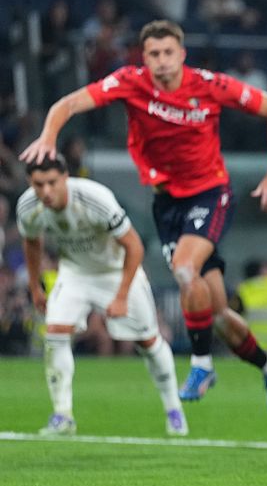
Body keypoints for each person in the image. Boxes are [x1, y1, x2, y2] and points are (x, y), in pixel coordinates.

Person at [20, 20, 267, 418]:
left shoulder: (209, 85)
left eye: (168, 53)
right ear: (143, 58)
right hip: (167, 203)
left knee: (184, 269)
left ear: (181, 54)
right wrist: (48, 136)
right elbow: (69, 104)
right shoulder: (131, 82)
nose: (161, 61)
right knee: (215, 313)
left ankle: (201, 366)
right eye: (153, 55)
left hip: (210, 192)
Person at [17, 155, 187, 436]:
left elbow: (134, 246)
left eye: (51, 183)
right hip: (75, 273)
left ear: (65, 178)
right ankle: (63, 415)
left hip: (117, 272)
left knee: (148, 340)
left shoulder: (95, 198)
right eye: (38, 184)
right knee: (55, 332)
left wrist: (120, 296)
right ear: (29, 183)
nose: (46, 191)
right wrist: (35, 287)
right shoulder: (28, 205)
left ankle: (173, 408)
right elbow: (32, 242)